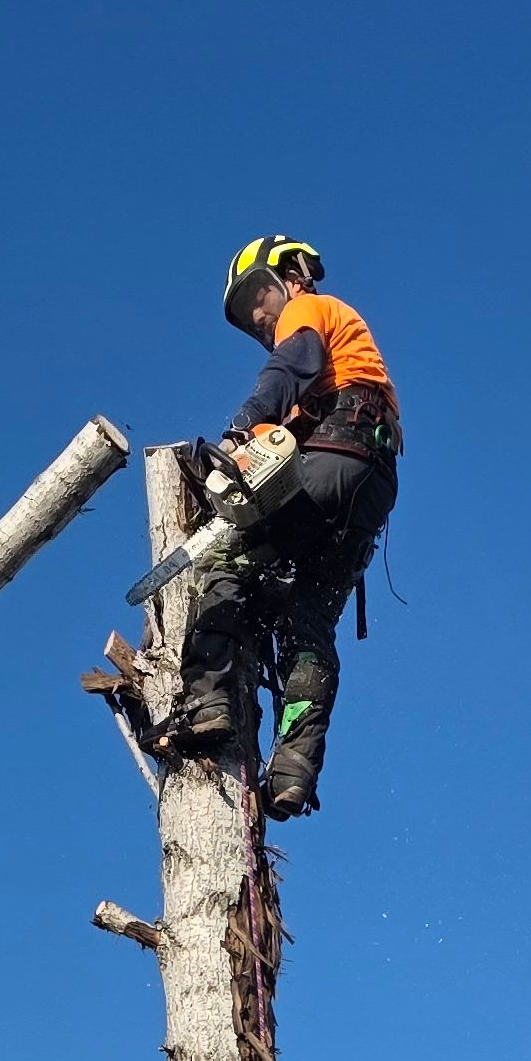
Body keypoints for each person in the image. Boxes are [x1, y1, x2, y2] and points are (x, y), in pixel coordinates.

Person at [178, 236, 401, 819]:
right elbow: (287, 428)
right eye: (245, 309)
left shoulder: (310, 313)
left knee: (225, 565)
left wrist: (236, 431)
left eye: (259, 294)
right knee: (304, 616)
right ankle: (293, 770)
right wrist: (251, 450)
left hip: (337, 454)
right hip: (370, 481)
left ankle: (207, 701)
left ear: (292, 276)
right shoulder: (335, 375)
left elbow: (289, 367)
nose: (258, 314)